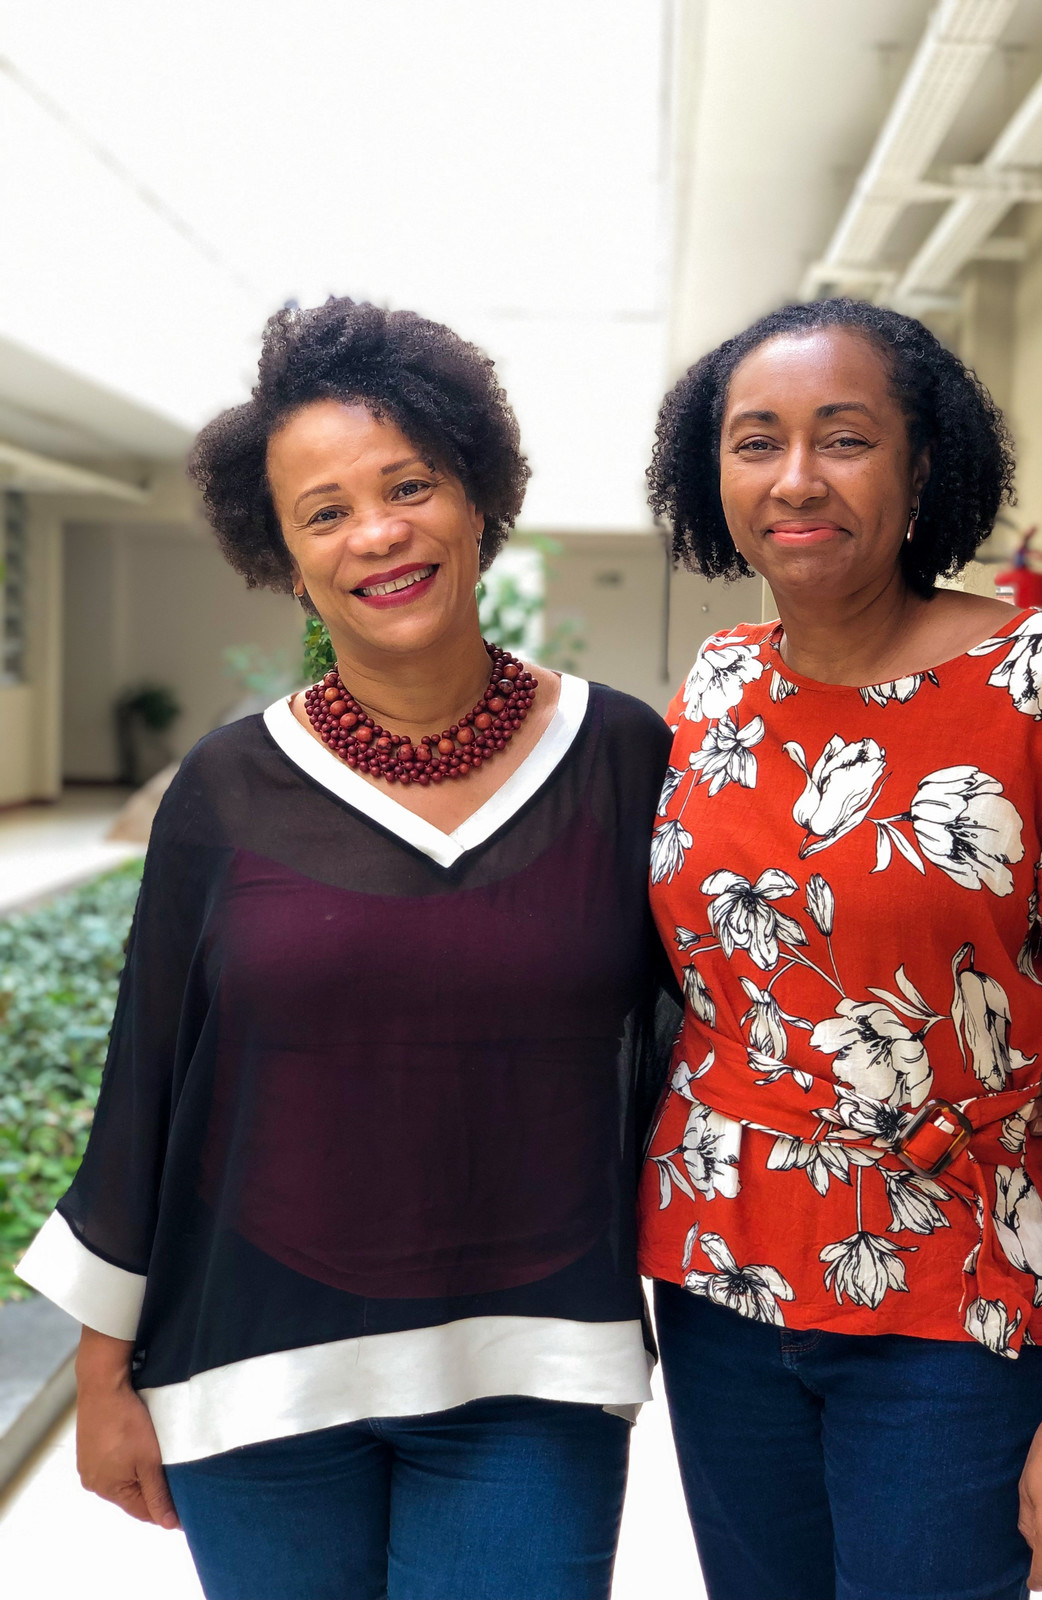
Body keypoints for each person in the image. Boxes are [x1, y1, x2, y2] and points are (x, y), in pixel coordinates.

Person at [17, 298, 678, 1600]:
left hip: (533, 1369)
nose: (377, 533)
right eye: (325, 512)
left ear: (479, 497)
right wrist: (103, 1377)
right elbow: (149, 1079)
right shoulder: (226, 790)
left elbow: (724, 1014)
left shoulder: (621, 758)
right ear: (286, 554)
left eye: (409, 485)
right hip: (255, 1372)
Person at [637, 299, 1042, 1600]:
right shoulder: (712, 687)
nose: (797, 479)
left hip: (958, 1297)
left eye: (845, 438)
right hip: (721, 1284)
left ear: (922, 466)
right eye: (756, 441)